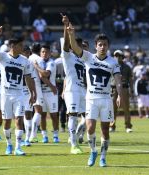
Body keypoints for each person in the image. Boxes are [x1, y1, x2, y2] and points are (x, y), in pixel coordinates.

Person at [67, 23, 122, 167]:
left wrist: (120, 95)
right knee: (90, 127)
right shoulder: (88, 57)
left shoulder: (113, 63)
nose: (102, 47)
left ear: (108, 46)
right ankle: (93, 151)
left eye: (105, 44)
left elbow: (118, 81)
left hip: (106, 99)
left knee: (105, 130)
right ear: (95, 46)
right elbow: (74, 47)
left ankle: (103, 157)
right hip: (91, 98)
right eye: (100, 44)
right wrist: (71, 34)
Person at [0, 26, 36, 156]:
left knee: (19, 119)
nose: (22, 48)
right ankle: (9, 144)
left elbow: (28, 78)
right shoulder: (3, 57)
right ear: (13, 46)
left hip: (19, 94)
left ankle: (18, 147)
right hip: (5, 94)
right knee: (7, 121)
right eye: (20, 45)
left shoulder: (24, 61)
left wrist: (33, 93)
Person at [61, 14, 86, 154]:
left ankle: (74, 136)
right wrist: (66, 25)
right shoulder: (67, 56)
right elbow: (65, 44)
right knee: (73, 115)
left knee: (89, 116)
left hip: (83, 90)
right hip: (72, 89)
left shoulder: (84, 59)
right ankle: (74, 145)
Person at [33, 45, 59, 143]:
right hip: (41, 92)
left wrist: (36, 67)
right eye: (43, 52)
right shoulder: (38, 61)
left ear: (50, 53)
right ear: (40, 53)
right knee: (42, 115)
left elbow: (45, 74)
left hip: (51, 92)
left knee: (53, 115)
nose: (45, 54)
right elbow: (40, 75)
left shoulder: (51, 63)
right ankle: (44, 135)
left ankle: (55, 135)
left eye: (47, 52)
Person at [110, 50, 133, 133]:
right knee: (113, 109)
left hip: (124, 88)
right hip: (113, 88)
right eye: (116, 56)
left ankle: (128, 126)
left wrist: (132, 89)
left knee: (126, 108)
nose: (117, 57)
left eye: (119, 56)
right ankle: (112, 126)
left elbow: (130, 79)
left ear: (122, 57)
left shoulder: (127, 67)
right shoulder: (110, 66)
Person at [28, 43, 45, 143]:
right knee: (38, 110)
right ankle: (32, 136)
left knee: (28, 112)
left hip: (26, 84)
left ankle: (29, 135)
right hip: (36, 85)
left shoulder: (27, 58)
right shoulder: (39, 59)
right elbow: (42, 75)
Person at [21, 46, 36, 146]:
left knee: (28, 114)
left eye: (28, 52)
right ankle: (21, 138)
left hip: (26, 91)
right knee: (19, 115)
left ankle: (27, 139)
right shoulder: (17, 61)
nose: (27, 54)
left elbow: (32, 79)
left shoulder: (30, 63)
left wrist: (34, 93)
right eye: (25, 52)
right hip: (16, 91)